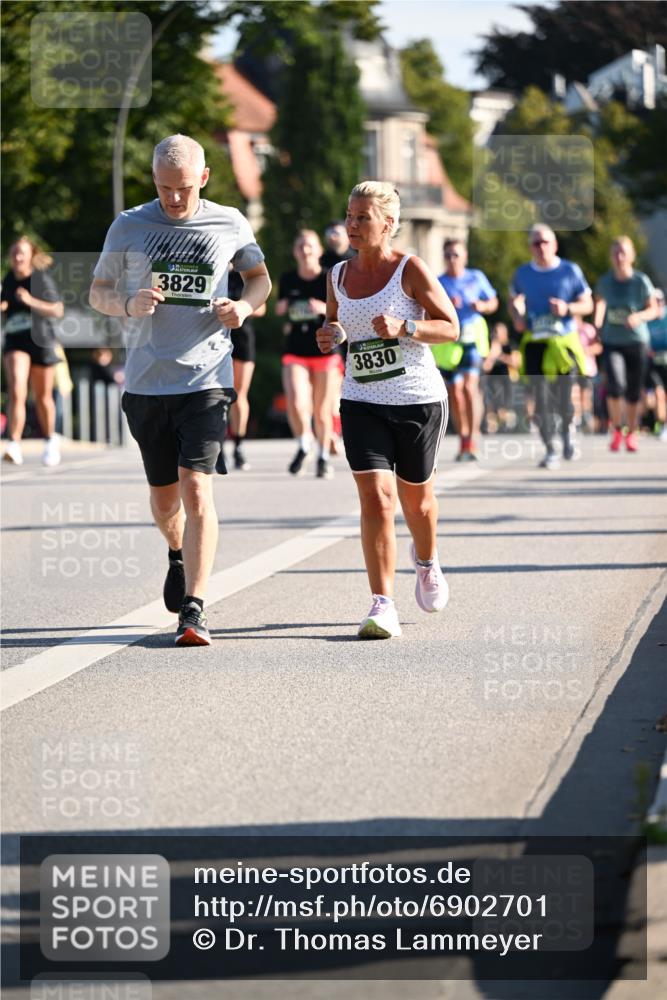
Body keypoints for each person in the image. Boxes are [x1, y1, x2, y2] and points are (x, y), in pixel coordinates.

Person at [89, 134, 271, 646]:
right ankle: (176, 552)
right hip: (148, 383)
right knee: (164, 500)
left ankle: (194, 609)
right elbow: (98, 292)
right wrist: (127, 304)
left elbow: (259, 278)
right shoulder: (129, 225)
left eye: (184, 188)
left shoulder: (230, 222)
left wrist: (244, 307)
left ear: (204, 178)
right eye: (165, 188)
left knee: (197, 488)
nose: (173, 199)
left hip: (207, 378)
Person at [316, 181, 459, 640]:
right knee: (376, 498)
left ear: (388, 224)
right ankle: (382, 604)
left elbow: (451, 327)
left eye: (362, 218)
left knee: (416, 501)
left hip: (417, 399)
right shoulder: (337, 275)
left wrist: (407, 326)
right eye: (349, 216)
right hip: (361, 399)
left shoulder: (410, 270)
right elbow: (338, 323)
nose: (352, 225)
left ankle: (427, 560)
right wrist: (331, 335)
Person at [509, 224, 592, 469]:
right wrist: (518, 314)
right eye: (536, 243)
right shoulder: (522, 274)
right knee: (541, 399)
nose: (541, 247)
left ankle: (568, 433)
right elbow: (516, 314)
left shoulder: (570, 270)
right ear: (530, 247)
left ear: (554, 245)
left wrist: (568, 309)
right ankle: (550, 449)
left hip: (564, 342)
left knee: (565, 397)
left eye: (545, 242)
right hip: (535, 343)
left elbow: (587, 304)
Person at [276, 229, 342, 479]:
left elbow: (343, 310)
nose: (305, 251)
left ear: (319, 251)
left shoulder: (328, 278)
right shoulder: (289, 279)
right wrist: (282, 307)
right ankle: (305, 443)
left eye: (310, 246)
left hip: (325, 351)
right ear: (295, 251)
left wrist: (323, 308)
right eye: (301, 246)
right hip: (295, 349)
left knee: (323, 409)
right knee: (296, 402)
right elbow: (282, 308)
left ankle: (323, 457)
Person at [1, 236, 64, 466]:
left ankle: (49, 441)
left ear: (30, 256)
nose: (17, 257)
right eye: (14, 252)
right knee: (17, 389)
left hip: (41, 341)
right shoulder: (6, 282)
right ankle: (13, 444)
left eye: (22, 252)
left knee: (42, 396)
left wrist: (30, 300)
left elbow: (57, 310)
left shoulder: (40, 280)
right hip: (15, 341)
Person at [433, 239, 498, 460]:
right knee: (455, 393)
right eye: (448, 255)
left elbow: (493, 302)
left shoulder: (476, 277)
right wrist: (446, 305)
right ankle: (463, 440)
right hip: (449, 343)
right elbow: (428, 310)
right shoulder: (438, 282)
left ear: (465, 256)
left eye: (456, 255)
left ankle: (473, 437)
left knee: (470, 388)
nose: (452, 259)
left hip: (472, 339)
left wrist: (482, 306)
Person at [593, 236, 659, 452]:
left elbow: (654, 309)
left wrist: (639, 316)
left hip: (637, 341)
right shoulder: (605, 281)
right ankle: (617, 429)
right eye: (615, 253)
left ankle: (631, 432)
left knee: (632, 390)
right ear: (611, 257)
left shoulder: (640, 281)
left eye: (623, 252)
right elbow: (600, 304)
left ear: (631, 256)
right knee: (615, 385)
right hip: (612, 341)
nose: (619, 257)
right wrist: (596, 325)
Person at [227, 265, 266, 470]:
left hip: (242, 338)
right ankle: (214, 446)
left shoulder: (246, 275)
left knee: (238, 394)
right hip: (213, 338)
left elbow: (262, 307)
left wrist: (239, 306)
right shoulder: (214, 272)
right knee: (213, 395)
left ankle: (238, 446)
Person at [481, 322, 521, 433]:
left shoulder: (511, 345)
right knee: (492, 405)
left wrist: (500, 355)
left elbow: (516, 362)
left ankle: (507, 422)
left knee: (504, 407)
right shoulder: (490, 347)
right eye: (495, 332)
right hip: (493, 381)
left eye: (498, 332)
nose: (496, 335)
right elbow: (486, 367)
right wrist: (492, 354)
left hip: (507, 380)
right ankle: (492, 427)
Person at [646, 289, 667, 441]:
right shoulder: (647, 318)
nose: (656, 304)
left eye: (658, 301)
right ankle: (662, 425)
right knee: (659, 395)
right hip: (654, 363)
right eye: (653, 301)